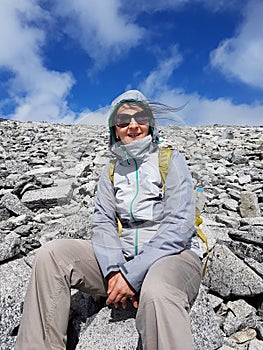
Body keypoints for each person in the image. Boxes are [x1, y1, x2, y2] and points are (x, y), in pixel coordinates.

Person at [15, 90, 203, 350]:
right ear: (114, 129)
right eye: (124, 120)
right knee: (52, 256)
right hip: (123, 259)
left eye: (141, 117)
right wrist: (114, 270)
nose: (134, 126)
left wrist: (131, 277)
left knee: (158, 294)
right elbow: (102, 222)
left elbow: (178, 227)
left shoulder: (170, 160)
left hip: (173, 256)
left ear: (151, 123)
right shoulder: (111, 170)